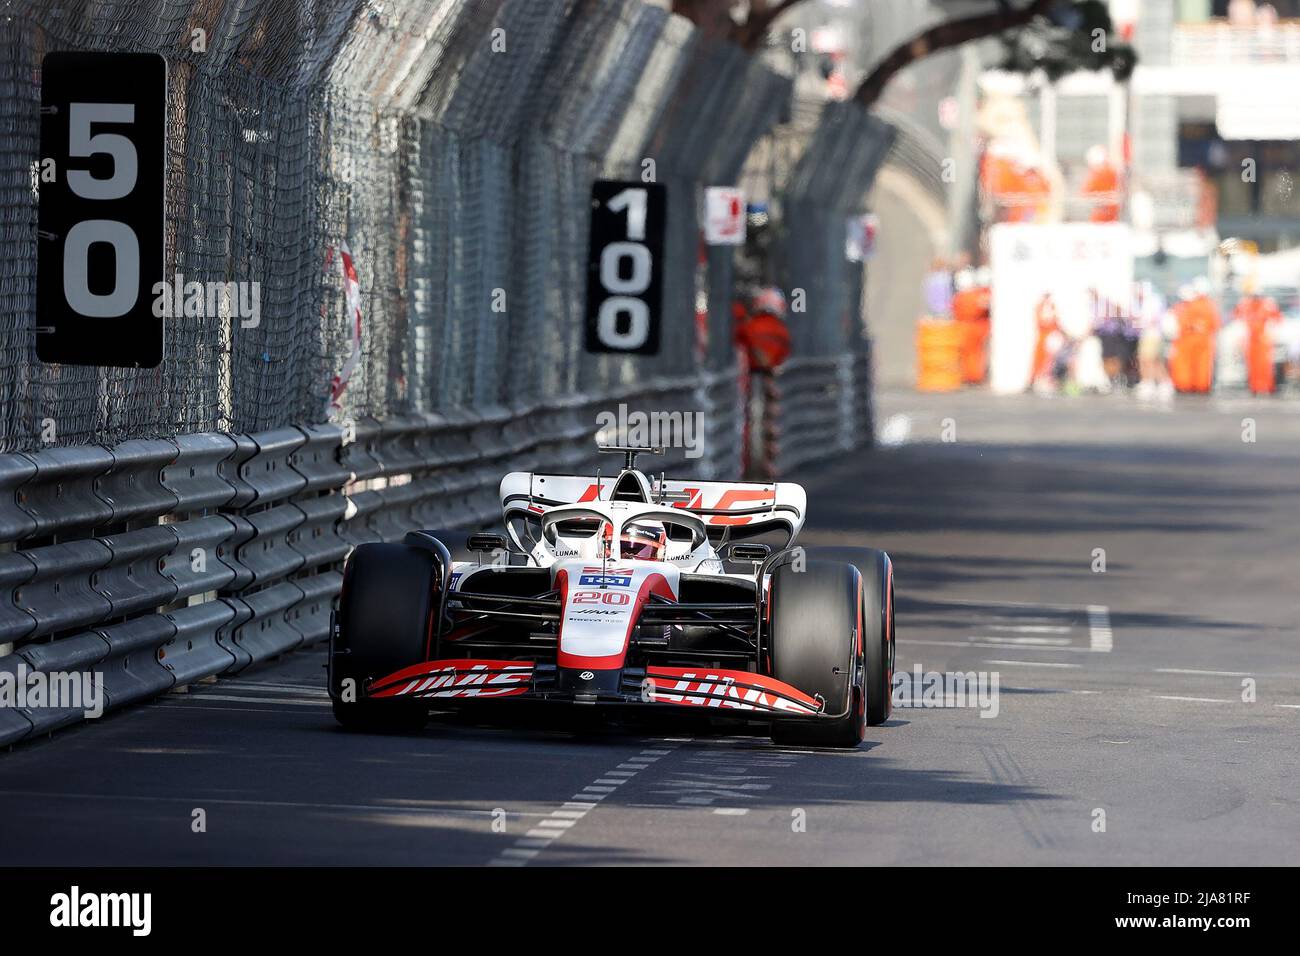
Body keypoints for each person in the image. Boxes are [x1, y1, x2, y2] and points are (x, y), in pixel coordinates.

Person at [1234, 288, 1283, 395]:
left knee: (1265, 365)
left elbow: (1277, 319)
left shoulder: (1267, 306)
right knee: (1252, 365)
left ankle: (1266, 386)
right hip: (1252, 340)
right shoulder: (1247, 305)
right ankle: (1255, 387)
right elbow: (1238, 316)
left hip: (1263, 340)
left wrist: (1271, 330)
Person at [1031, 292, 1062, 391]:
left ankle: (1049, 380)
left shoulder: (1052, 307)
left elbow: (1057, 321)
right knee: (1040, 359)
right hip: (1043, 336)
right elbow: (1041, 321)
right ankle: (1035, 380)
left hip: (1052, 336)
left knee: (1051, 360)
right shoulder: (1040, 307)